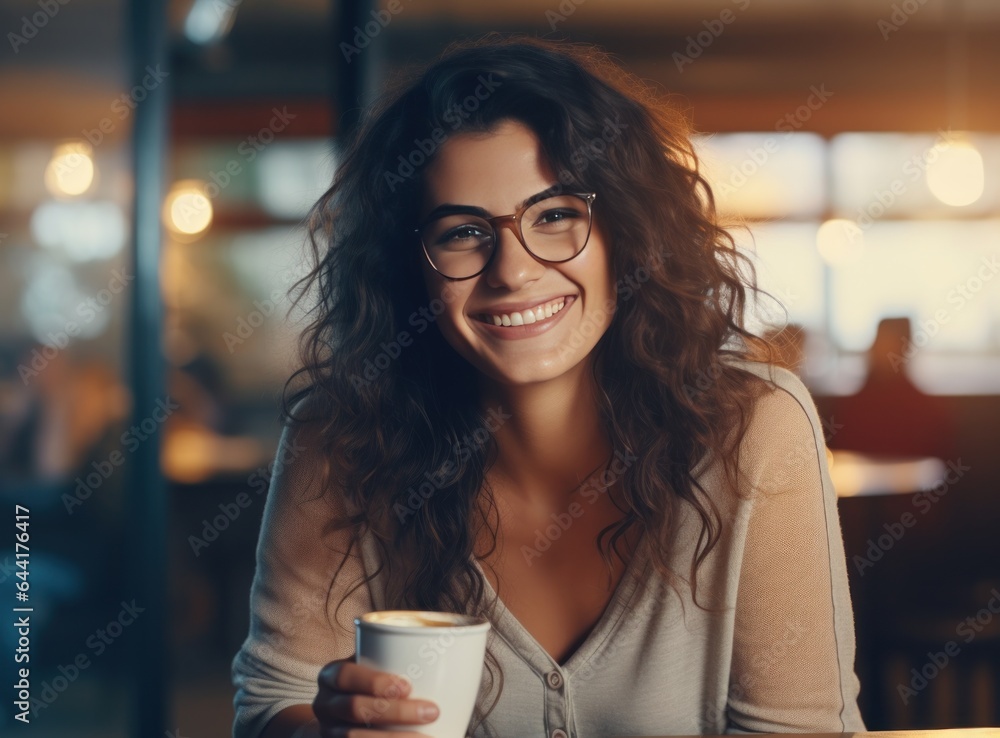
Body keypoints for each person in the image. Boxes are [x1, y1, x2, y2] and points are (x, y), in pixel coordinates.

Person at [232, 36, 866, 738]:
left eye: (556, 215)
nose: (513, 270)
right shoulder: (341, 437)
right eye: (463, 232)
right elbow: (270, 703)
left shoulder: (753, 429)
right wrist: (322, 731)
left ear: (628, 232)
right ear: (405, 268)